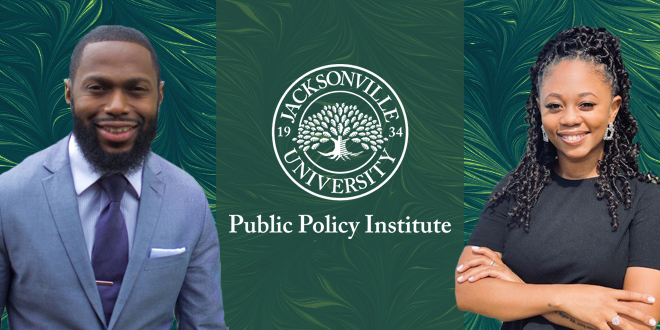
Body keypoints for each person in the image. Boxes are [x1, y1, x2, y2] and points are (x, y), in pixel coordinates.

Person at [0, 25, 228, 329]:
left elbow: (205, 324)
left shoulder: (189, 199)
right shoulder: (9, 196)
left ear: (159, 95)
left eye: (136, 89)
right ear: (69, 93)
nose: (118, 107)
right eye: (97, 88)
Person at [455, 26, 660, 330]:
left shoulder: (646, 198)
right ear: (539, 109)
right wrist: (567, 299)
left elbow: (635, 324)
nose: (569, 118)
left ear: (613, 109)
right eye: (554, 105)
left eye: (586, 104)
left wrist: (516, 289)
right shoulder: (516, 186)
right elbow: (467, 290)